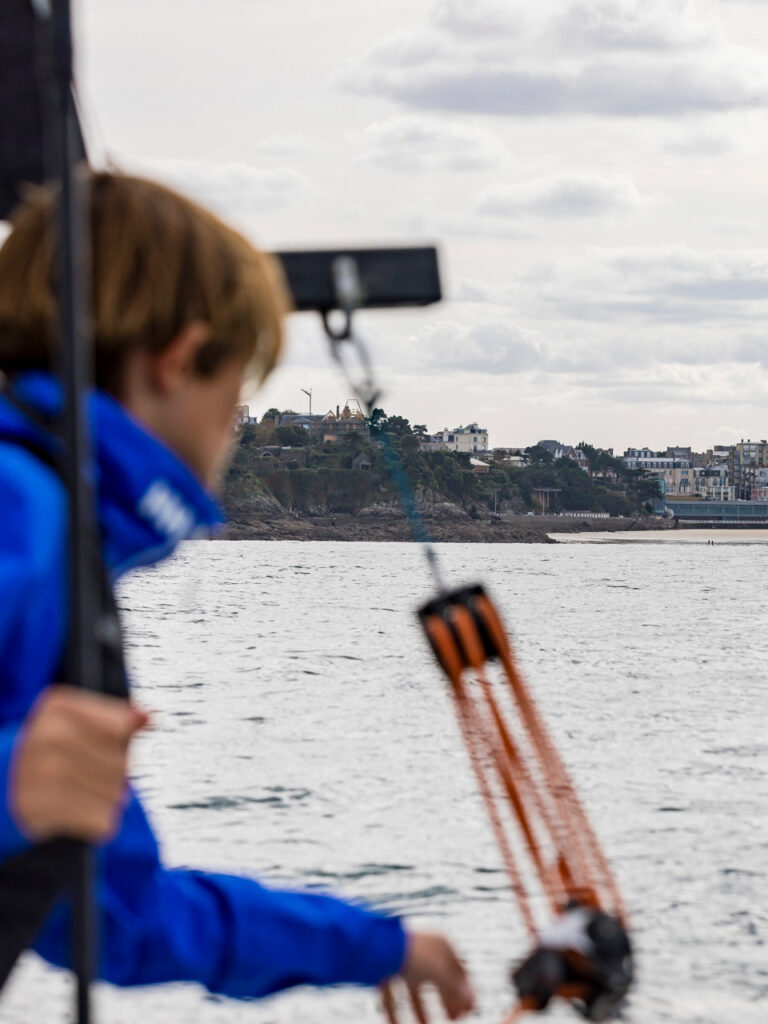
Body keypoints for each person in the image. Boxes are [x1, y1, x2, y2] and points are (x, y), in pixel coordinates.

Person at [0, 173, 474, 1020]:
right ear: (179, 360)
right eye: (239, 390)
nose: (232, 429)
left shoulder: (66, 535)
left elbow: (122, 918)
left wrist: (379, 944)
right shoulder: (20, 507)